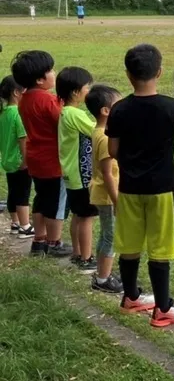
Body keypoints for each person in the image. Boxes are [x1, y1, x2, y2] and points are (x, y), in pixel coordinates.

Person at [106, 43, 174, 327]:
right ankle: (163, 306)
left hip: (129, 187)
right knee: (161, 247)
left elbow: (114, 149)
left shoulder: (119, 110)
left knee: (129, 244)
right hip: (164, 189)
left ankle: (131, 296)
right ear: (160, 72)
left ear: (128, 75)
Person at [11, 50, 72, 257]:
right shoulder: (46, 100)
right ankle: (54, 243)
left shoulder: (25, 99)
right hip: (53, 161)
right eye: (50, 70)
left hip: (35, 159)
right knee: (56, 204)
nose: (54, 73)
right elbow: (62, 123)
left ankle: (39, 240)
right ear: (39, 79)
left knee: (41, 199)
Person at [57, 66, 98, 274]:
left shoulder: (65, 112)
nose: (88, 91)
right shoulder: (75, 114)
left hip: (70, 174)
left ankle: (76, 253)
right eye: (87, 87)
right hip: (82, 176)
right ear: (75, 92)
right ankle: (86, 258)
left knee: (78, 215)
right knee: (87, 218)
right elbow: (96, 132)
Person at [85, 84, 124, 294]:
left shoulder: (99, 131)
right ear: (106, 111)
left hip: (101, 193)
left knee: (105, 235)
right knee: (111, 236)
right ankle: (102, 279)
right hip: (108, 195)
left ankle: (103, 273)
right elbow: (108, 173)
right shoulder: (105, 137)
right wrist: (117, 200)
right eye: (118, 104)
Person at [0, 75, 33, 238]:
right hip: (20, 161)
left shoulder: (3, 112)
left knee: (13, 191)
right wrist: (26, 161)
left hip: (7, 160)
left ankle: (15, 223)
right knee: (23, 193)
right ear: (16, 92)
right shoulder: (18, 113)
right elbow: (23, 140)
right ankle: (25, 226)